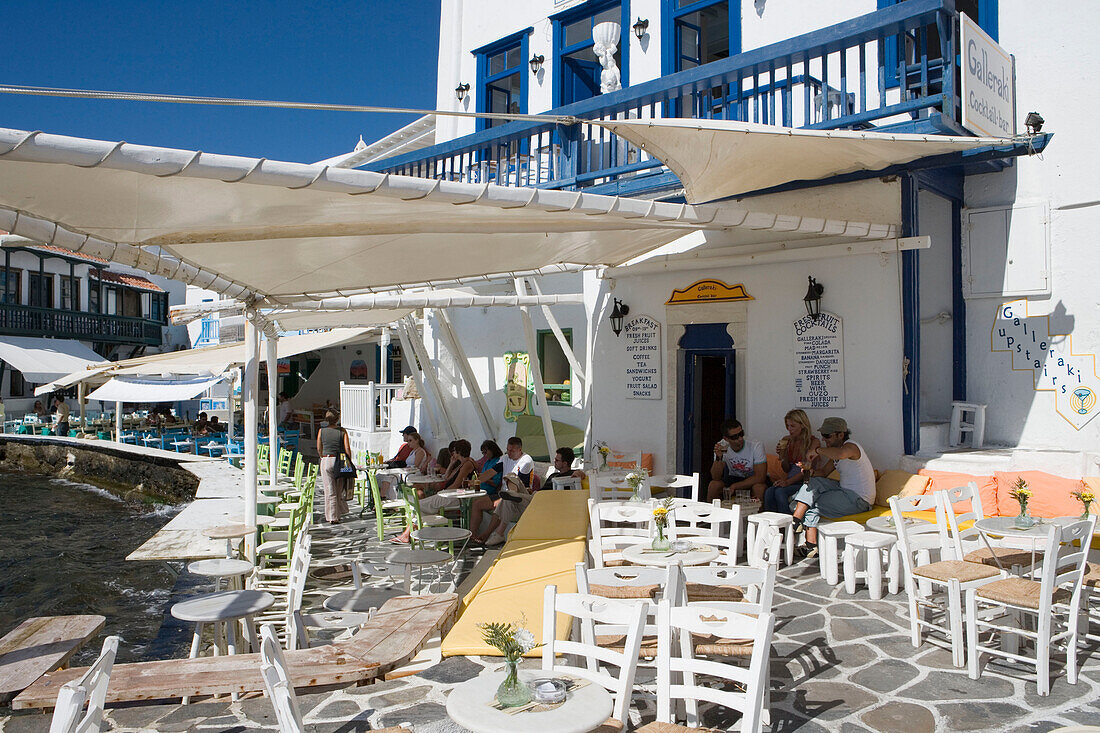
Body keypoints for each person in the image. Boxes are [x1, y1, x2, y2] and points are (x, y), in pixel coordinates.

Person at [790, 417, 876, 559]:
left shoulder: (851, 447)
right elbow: (823, 473)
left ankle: (806, 539)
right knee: (814, 483)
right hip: (844, 492)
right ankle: (798, 523)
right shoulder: (835, 452)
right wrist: (808, 470)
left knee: (811, 503)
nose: (824, 439)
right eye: (823, 436)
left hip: (859, 499)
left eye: (827, 436)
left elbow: (840, 454)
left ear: (841, 435)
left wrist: (817, 450)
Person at [390, 439, 480, 544]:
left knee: (417, 505)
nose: (452, 454)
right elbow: (447, 477)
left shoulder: (468, 464)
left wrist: (442, 492)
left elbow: (456, 484)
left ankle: (411, 534)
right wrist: (451, 464)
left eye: (454, 452)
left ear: (458, 451)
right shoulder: (461, 464)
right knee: (420, 506)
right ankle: (411, 534)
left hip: (456, 497)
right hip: (449, 494)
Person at [763, 409, 821, 514]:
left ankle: (789, 524)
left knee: (780, 492)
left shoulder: (813, 442)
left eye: (792, 426)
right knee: (769, 491)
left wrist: (787, 482)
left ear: (802, 425)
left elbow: (806, 469)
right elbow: (786, 469)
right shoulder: (787, 440)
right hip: (790, 479)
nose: (789, 429)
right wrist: (784, 453)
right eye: (787, 426)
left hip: (806, 480)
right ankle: (770, 523)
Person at [707, 419, 768, 502]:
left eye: (741, 434)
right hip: (733, 477)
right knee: (714, 485)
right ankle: (712, 513)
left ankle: (757, 514)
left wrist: (735, 486)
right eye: (735, 437)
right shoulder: (722, 446)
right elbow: (715, 477)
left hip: (752, 479)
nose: (740, 439)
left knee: (759, 488)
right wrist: (719, 458)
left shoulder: (755, 445)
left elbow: (760, 477)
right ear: (726, 439)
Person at [316, 410, 355, 524]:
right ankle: (338, 513)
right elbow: (347, 448)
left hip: (326, 459)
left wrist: (322, 456)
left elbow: (319, 448)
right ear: (337, 419)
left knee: (329, 490)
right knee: (339, 489)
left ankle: (333, 516)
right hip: (340, 460)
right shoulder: (342, 431)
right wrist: (349, 461)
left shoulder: (321, 431)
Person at [477, 473, 531, 546]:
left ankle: (499, 534)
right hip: (522, 501)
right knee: (511, 479)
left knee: (507, 498)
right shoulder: (551, 477)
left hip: (535, 500)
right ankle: (512, 494)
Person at [469, 440, 505, 538]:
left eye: (486, 452)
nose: (484, 455)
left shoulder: (499, 461)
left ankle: (476, 534)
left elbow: (495, 483)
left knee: (474, 502)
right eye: (483, 453)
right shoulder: (487, 462)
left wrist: (484, 479)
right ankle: (472, 534)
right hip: (481, 490)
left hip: (489, 492)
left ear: (492, 450)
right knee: (472, 501)